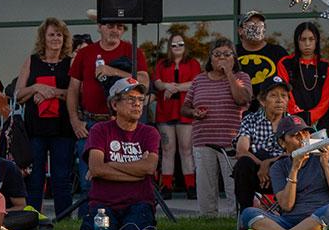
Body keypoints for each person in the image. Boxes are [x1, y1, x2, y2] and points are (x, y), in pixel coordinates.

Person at [67, 21, 149, 194]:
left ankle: (121, 214)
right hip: (90, 123)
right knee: (88, 179)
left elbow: (144, 82)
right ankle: (89, 218)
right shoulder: (85, 53)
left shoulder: (132, 51)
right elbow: (73, 90)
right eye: (110, 26)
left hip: (121, 124)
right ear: (99, 27)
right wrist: (75, 121)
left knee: (121, 175)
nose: (115, 30)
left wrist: (112, 71)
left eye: (119, 27)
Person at [237, 115, 329, 230]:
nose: (302, 138)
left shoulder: (328, 157)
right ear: (282, 142)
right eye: (296, 135)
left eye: (305, 133)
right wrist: (294, 169)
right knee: (248, 213)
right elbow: (286, 205)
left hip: (323, 218)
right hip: (290, 221)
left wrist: (326, 165)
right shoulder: (279, 167)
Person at [80, 78, 160, 230]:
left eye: (140, 99)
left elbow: (149, 168)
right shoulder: (99, 130)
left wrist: (109, 164)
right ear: (114, 104)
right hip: (104, 204)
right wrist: (137, 170)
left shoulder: (150, 132)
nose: (137, 104)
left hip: (139, 203)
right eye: (130, 99)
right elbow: (96, 169)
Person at [182, 39, 251, 216]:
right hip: (203, 140)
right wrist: (194, 112)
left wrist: (229, 73)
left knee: (234, 184)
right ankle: (208, 219)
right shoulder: (199, 80)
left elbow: (242, 100)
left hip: (232, 141)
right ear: (210, 59)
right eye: (217, 54)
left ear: (234, 58)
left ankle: (235, 217)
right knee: (206, 186)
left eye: (227, 54)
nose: (222, 58)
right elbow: (185, 107)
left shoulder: (242, 77)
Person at [15, 17, 74, 216]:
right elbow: (19, 95)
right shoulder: (31, 61)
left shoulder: (70, 62)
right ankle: (33, 218)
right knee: (35, 177)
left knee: (61, 177)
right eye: (51, 34)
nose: (56, 38)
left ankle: (64, 219)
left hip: (62, 128)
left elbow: (76, 94)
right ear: (44, 37)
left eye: (59, 34)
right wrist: (36, 88)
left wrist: (51, 92)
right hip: (35, 129)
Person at [151, 33, 201, 199]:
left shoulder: (193, 63)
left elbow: (195, 82)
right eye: (174, 45)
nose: (177, 47)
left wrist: (174, 88)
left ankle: (191, 186)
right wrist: (166, 85)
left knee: (186, 149)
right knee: (167, 149)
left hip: (185, 111)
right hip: (165, 111)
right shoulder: (161, 64)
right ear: (169, 47)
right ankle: (166, 186)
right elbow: (157, 83)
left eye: (180, 44)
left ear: (185, 46)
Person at [233, 75, 290, 209]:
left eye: (284, 96)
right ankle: (246, 215)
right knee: (243, 163)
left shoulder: (292, 122)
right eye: (274, 95)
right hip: (256, 173)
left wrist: (269, 163)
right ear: (262, 100)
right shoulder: (250, 120)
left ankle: (291, 215)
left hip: (284, 173)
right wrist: (262, 165)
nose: (280, 100)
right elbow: (241, 151)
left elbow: (296, 153)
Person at [279, 23, 329, 135]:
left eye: (311, 39)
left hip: (322, 120)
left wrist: (311, 116)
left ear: (317, 41)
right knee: (296, 152)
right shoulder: (285, 63)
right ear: (297, 41)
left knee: (323, 152)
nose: (307, 44)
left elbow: (326, 99)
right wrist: (300, 116)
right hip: (294, 119)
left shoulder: (326, 66)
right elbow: (285, 93)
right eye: (303, 39)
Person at [234, 11, 291, 101]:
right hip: (237, 107)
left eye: (260, 24)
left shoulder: (278, 52)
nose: (256, 27)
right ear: (240, 31)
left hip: (270, 109)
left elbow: (289, 82)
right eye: (251, 24)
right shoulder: (231, 53)